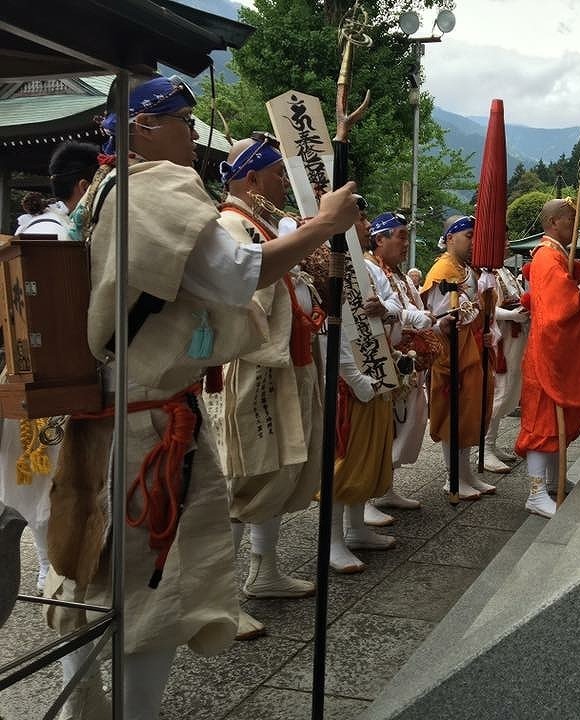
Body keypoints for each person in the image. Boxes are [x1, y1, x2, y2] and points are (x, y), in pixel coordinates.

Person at [43, 74, 360, 720]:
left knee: (87, 569)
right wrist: (322, 226)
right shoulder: (151, 189)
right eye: (181, 122)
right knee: (149, 593)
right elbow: (240, 273)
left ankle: (86, 704)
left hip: (103, 411)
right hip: (145, 425)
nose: (193, 136)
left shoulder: (103, 191)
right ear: (141, 129)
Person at [210, 135, 326, 640]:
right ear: (251, 178)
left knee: (277, 471)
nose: (283, 182)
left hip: (281, 364)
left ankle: (265, 571)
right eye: (277, 173)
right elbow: (241, 299)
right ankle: (219, 599)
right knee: (243, 478)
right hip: (252, 366)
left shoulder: (259, 225)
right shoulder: (231, 224)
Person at [0, 142, 99, 596]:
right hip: (53, 377)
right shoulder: (62, 238)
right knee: (53, 480)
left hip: (17, 376)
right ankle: (50, 568)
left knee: (37, 480)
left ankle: (45, 566)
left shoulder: (24, 237)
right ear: (84, 185)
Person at [515, 198, 580, 518]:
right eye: (570, 218)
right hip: (548, 354)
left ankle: (553, 480)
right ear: (552, 223)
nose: (576, 223)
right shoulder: (546, 257)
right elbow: (562, 304)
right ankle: (535, 492)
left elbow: (574, 287)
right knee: (543, 422)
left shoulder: (557, 255)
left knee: (562, 420)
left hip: (557, 353)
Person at [325, 212, 401, 573]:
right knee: (343, 459)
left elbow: (396, 303)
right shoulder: (326, 258)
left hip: (377, 364)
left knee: (368, 453)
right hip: (344, 377)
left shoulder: (370, 270)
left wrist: (383, 308)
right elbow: (328, 322)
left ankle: (356, 530)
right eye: (358, 217)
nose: (367, 225)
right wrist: (353, 376)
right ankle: (333, 540)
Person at [363, 212, 436, 513]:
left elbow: (399, 308)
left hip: (409, 359)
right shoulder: (368, 268)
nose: (406, 244)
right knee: (384, 429)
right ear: (379, 239)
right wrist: (412, 319)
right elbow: (380, 311)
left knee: (406, 425)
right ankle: (365, 497)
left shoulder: (401, 276)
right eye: (401, 236)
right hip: (384, 359)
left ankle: (386, 487)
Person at [422, 215, 496, 499]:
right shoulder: (443, 269)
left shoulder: (468, 270)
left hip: (471, 349)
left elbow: (476, 311)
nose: (474, 242)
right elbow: (441, 314)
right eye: (468, 235)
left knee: (470, 413)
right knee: (454, 414)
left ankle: (465, 473)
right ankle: (453, 475)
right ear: (450, 238)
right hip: (450, 354)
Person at [483, 266, 530, 473]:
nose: (507, 244)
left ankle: (492, 444)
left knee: (510, 390)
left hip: (515, 337)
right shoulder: (484, 273)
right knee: (499, 393)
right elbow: (485, 307)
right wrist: (511, 314)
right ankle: (485, 449)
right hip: (501, 339)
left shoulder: (505, 271)